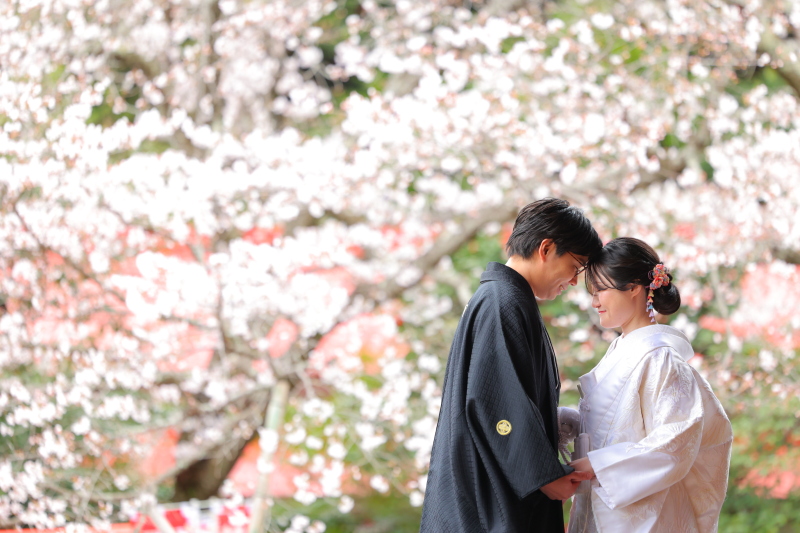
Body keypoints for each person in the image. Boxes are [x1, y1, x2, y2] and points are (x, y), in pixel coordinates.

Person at [419, 198, 602, 533]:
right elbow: (497, 403)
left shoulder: (505, 299)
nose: (575, 281)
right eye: (576, 267)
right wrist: (546, 478)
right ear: (547, 248)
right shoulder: (502, 302)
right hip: (489, 499)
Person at [567, 237, 733, 533]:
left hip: (647, 514)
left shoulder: (661, 358)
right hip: (607, 505)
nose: (594, 302)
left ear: (634, 288)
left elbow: (675, 442)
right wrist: (566, 422)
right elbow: (612, 423)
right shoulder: (622, 349)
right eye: (592, 292)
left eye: (601, 290)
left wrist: (599, 466)